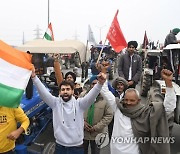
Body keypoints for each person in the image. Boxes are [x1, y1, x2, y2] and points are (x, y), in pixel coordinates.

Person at [31, 69, 107, 154]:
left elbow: (91, 96)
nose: (65, 92)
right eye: (63, 90)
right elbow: (43, 93)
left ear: (72, 91)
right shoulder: (55, 104)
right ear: (60, 92)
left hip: (76, 148)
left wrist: (100, 83)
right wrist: (34, 78)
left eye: (68, 89)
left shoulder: (79, 104)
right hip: (60, 147)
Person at [100, 69, 176, 154]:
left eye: (132, 100)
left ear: (138, 101)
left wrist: (169, 84)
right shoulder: (118, 107)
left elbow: (168, 108)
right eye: (126, 100)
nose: (128, 103)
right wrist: (103, 72)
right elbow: (105, 91)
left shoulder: (145, 113)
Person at [83, 76, 113, 154]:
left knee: (95, 152)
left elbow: (109, 115)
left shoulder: (105, 99)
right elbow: (76, 111)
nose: (94, 86)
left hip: (97, 133)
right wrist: (83, 122)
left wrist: (96, 127)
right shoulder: (83, 96)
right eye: (93, 84)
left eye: (97, 84)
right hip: (82, 132)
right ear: (90, 85)